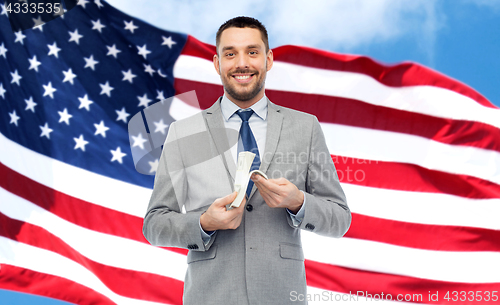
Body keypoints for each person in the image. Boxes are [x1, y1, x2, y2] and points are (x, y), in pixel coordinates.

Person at [143, 16, 351, 305]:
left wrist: (298, 202)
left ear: (268, 60)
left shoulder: (305, 127)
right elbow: (154, 224)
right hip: (210, 296)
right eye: (230, 54)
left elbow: (340, 218)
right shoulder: (184, 132)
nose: (242, 63)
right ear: (217, 63)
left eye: (252, 52)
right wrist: (203, 222)